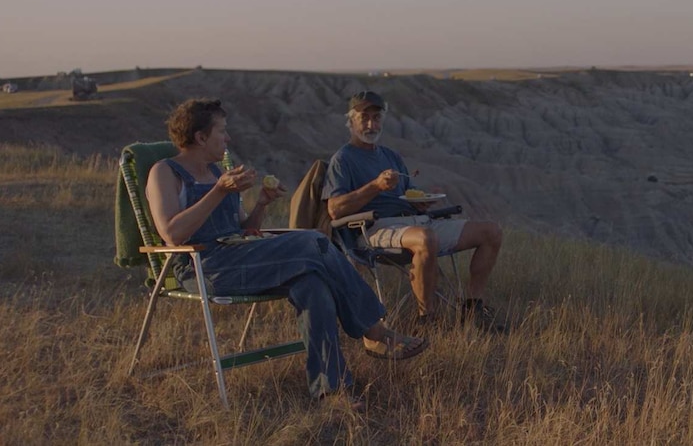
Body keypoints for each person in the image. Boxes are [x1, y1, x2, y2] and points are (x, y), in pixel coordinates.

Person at [146, 98, 428, 409]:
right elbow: (171, 233)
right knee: (314, 241)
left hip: (240, 257)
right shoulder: (165, 173)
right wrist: (219, 192)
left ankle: (330, 391)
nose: (228, 139)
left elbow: (244, 230)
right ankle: (373, 329)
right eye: (222, 132)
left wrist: (262, 204)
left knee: (312, 284)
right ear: (201, 137)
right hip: (204, 267)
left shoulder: (216, 173)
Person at [322, 91, 505, 333]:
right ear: (351, 121)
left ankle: (473, 308)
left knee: (491, 231)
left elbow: (408, 193)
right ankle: (427, 320)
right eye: (364, 118)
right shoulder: (343, 159)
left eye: (376, 118)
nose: (370, 124)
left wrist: (422, 200)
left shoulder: (390, 156)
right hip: (373, 228)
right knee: (425, 238)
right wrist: (375, 186)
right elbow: (335, 210)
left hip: (414, 221)